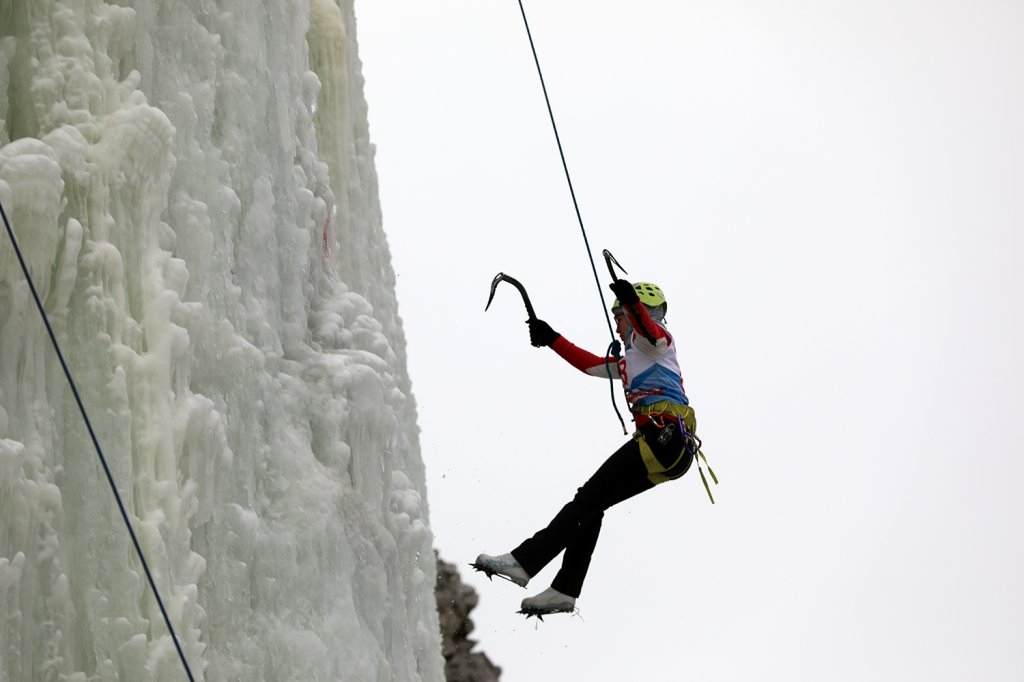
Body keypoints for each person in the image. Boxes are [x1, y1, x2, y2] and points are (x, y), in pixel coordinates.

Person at [475, 278, 704, 617]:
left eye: (619, 315)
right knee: (593, 506)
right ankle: (565, 590)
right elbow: (589, 364)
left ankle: (524, 562)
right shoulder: (630, 361)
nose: (618, 321)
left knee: (586, 499)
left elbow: (648, 329)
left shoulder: (659, 343)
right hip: (670, 453)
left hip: (664, 437)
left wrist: (631, 304)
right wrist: (551, 338)